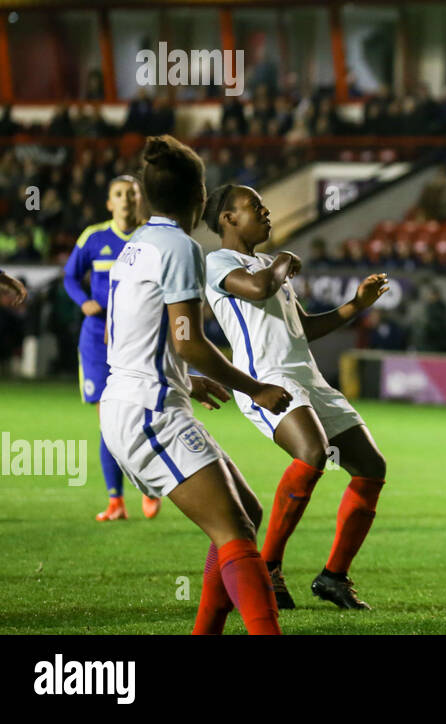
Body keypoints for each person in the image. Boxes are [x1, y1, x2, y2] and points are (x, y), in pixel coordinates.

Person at [100, 136, 293, 634]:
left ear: (144, 196)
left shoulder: (135, 246)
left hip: (135, 399)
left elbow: (129, 331)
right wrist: (256, 388)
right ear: (201, 197)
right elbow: (189, 341)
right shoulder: (181, 247)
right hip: (149, 412)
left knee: (245, 511)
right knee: (234, 532)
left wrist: (187, 379)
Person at [203, 183, 389, 611]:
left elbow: (301, 328)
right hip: (266, 381)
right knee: (312, 452)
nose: (266, 213)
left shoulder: (269, 264)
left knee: (371, 467)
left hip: (308, 377)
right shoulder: (219, 262)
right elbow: (257, 289)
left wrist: (354, 306)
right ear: (229, 219)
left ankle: (334, 577)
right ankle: (267, 566)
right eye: (256, 208)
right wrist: (286, 261)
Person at [63, 175, 155, 522]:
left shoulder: (151, 237)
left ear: (140, 199)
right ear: (109, 203)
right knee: (109, 422)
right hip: (97, 338)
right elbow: (70, 276)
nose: (127, 199)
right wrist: (84, 301)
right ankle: (116, 500)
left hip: (139, 339)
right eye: (119, 194)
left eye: (132, 193)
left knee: (144, 417)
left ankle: (148, 485)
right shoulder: (94, 237)